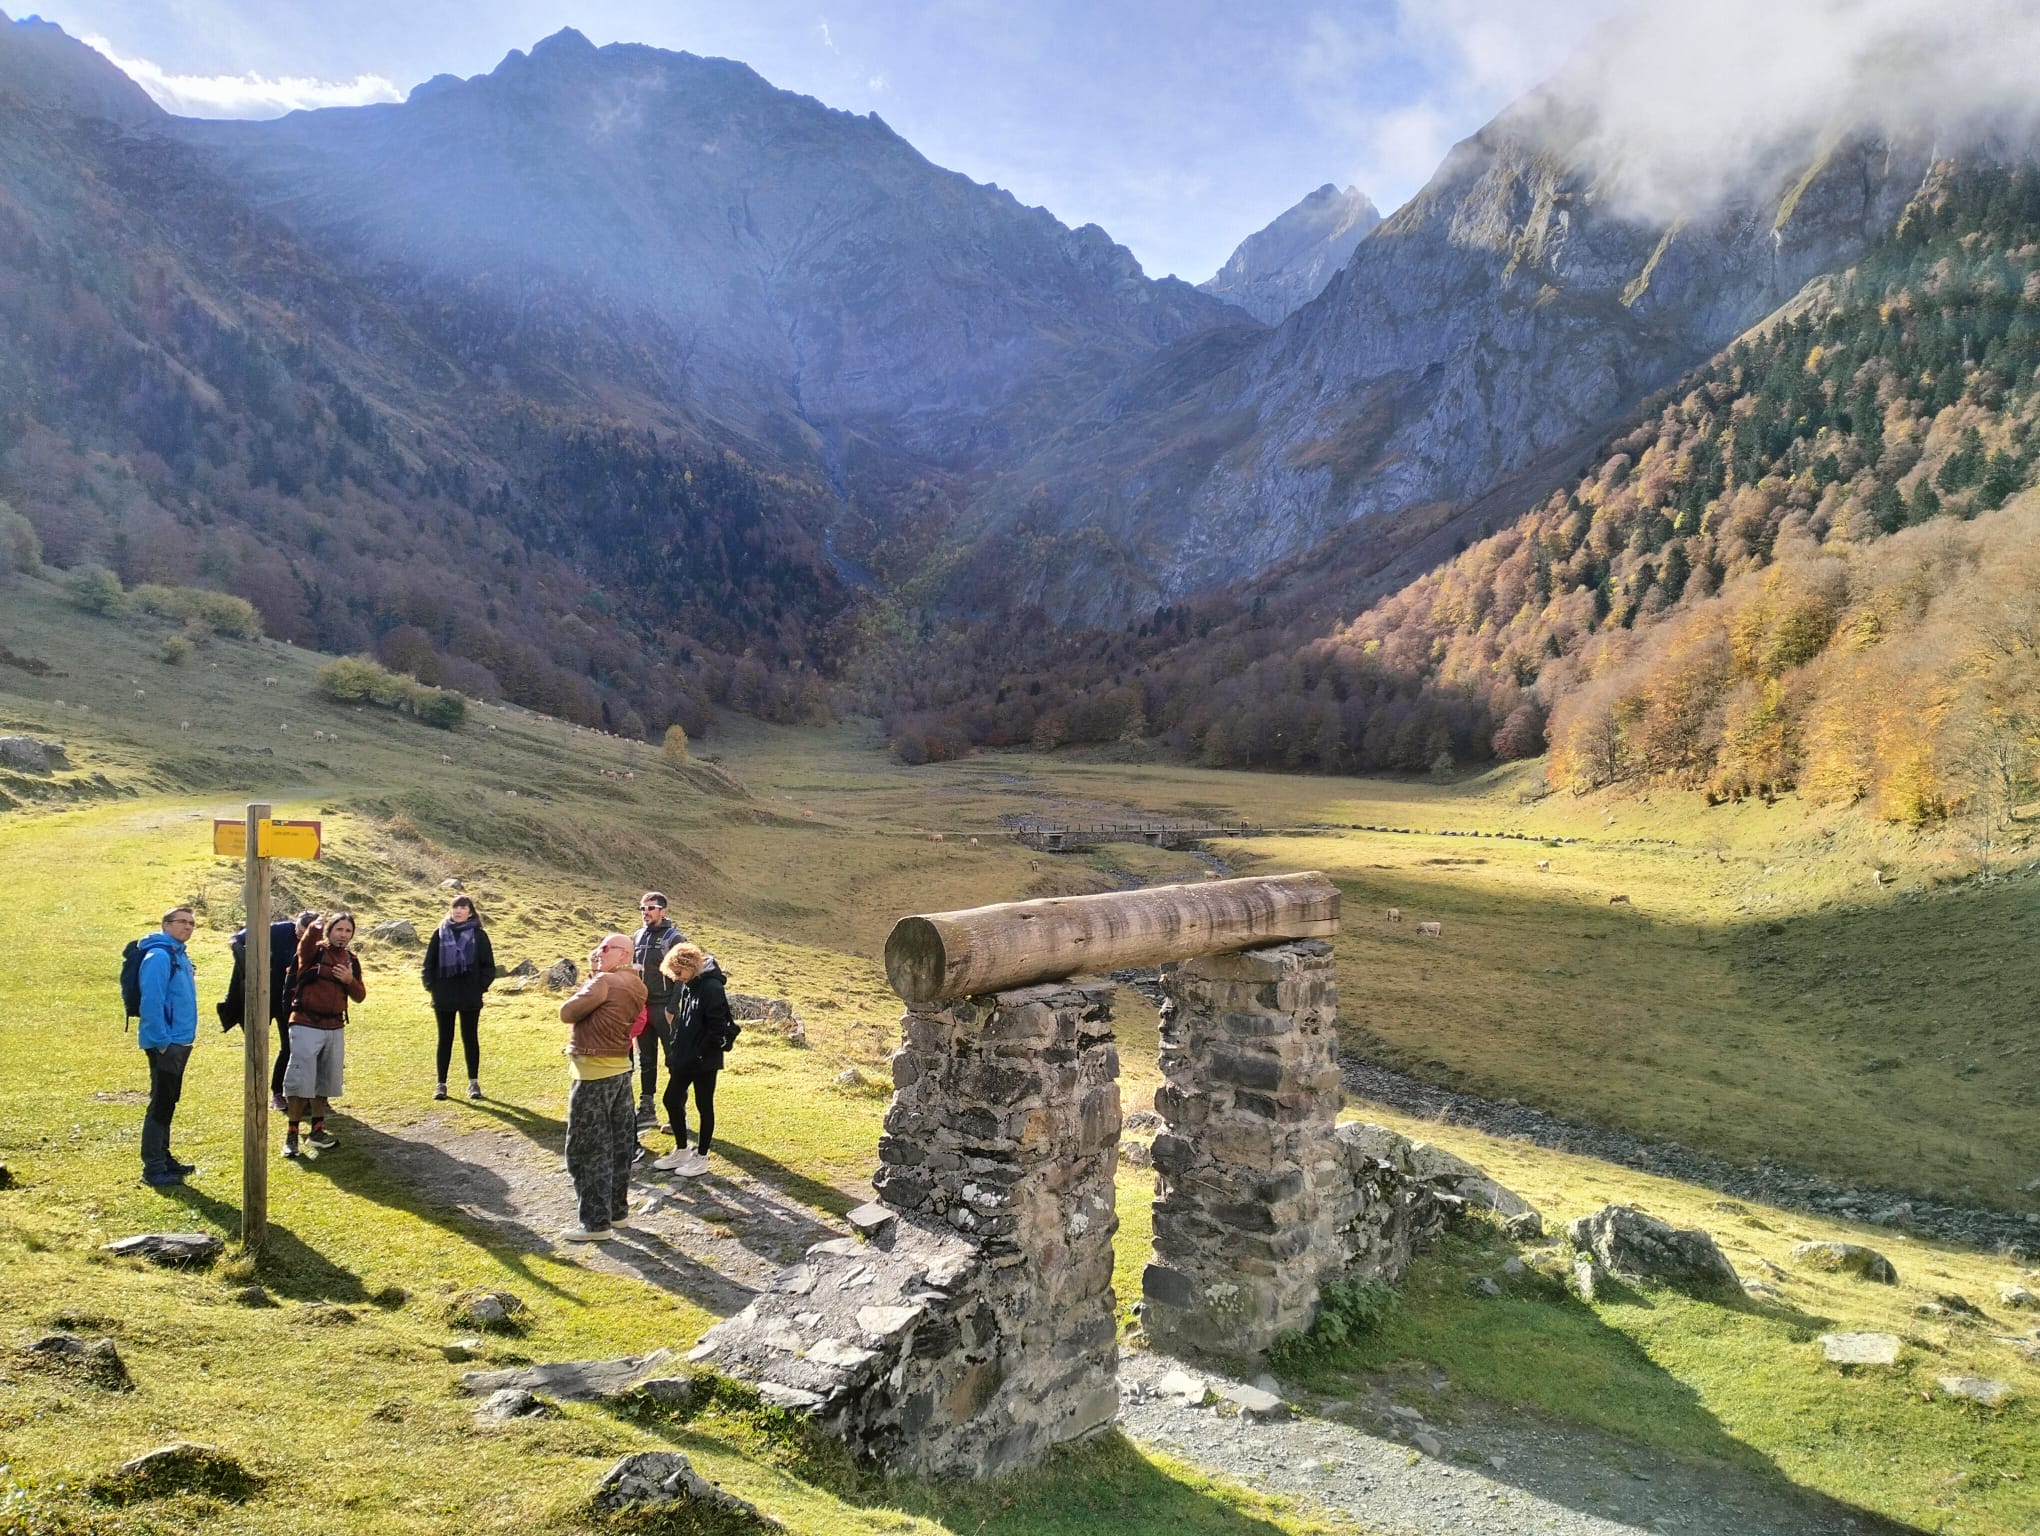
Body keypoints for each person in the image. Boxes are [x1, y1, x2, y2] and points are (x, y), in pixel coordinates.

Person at [557, 932, 648, 1242]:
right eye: (597, 948)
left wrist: (594, 979)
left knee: (586, 1148)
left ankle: (595, 1224)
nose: (598, 953)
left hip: (593, 1072)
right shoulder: (637, 984)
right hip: (620, 1069)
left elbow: (567, 1012)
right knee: (619, 1144)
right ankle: (617, 1212)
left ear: (623, 954)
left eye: (605, 948)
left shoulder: (603, 983)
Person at [217, 909, 318, 1112]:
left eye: (306, 933)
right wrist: (238, 948)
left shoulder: (317, 941)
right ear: (295, 924)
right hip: (262, 996)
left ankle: (280, 1091)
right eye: (299, 930)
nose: (301, 936)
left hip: (289, 1000)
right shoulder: (280, 930)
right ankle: (257, 1093)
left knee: (290, 1047)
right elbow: (236, 938)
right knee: (257, 1045)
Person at [282, 911, 364, 1159]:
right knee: (300, 1082)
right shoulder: (313, 951)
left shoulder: (351, 959)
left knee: (324, 1081)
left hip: (335, 1027)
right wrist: (315, 928)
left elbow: (359, 996)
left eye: (348, 930)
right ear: (329, 930)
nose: (343, 934)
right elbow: (305, 944)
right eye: (339, 929)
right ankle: (292, 1136)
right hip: (306, 1023)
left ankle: (317, 1132)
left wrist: (349, 980)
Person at [653, 942, 737, 1178]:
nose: (677, 978)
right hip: (686, 1056)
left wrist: (700, 1052)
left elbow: (717, 1026)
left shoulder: (711, 987)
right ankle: (682, 1150)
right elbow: (686, 1020)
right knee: (671, 1099)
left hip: (704, 1059)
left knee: (704, 1105)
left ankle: (701, 1157)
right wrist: (677, 1051)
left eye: (678, 973)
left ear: (689, 965)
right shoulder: (691, 984)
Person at [135, 905, 200, 1187]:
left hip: (180, 1040)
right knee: (161, 1103)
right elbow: (151, 1001)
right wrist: (161, 1041)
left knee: (168, 1100)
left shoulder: (178, 955)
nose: (187, 927)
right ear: (166, 924)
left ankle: (164, 1158)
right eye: (181, 922)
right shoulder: (159, 956)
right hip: (167, 1043)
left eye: (191, 923)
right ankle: (153, 1168)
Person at [421, 896, 496, 1100]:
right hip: (444, 995)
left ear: (470, 912)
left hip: (470, 996)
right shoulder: (440, 933)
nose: (458, 910)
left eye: (463, 907)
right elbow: (428, 964)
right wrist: (431, 987)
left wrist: (479, 987)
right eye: (455, 907)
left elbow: (489, 967)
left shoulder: (479, 936)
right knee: (445, 1039)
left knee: (470, 1038)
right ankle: (441, 1084)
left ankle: (473, 1083)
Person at [630, 892, 687, 1126]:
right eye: (642, 908)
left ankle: (678, 1116)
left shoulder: (674, 938)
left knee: (674, 1061)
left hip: (665, 1008)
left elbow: (682, 976)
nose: (645, 912)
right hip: (643, 1008)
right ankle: (647, 1110)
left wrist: (671, 1009)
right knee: (646, 1059)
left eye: (651, 908)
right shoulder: (637, 936)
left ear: (663, 911)